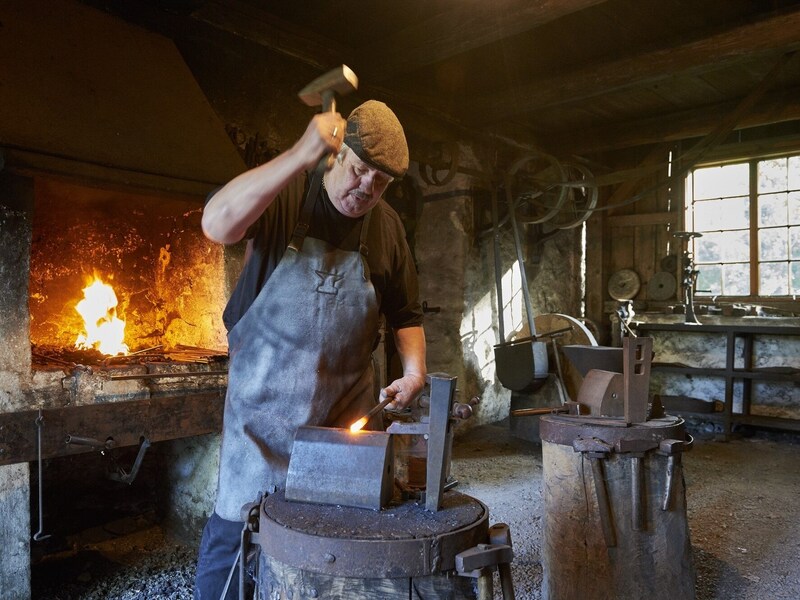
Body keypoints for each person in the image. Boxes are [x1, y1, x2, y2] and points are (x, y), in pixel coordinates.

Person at [194, 100, 427, 599]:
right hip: (261, 422)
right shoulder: (287, 197)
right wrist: (299, 153)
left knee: (336, 551)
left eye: (380, 182)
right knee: (234, 537)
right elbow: (216, 225)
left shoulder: (387, 229)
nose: (366, 188)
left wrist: (413, 372)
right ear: (335, 154)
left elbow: (407, 315)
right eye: (359, 170)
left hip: (343, 422)